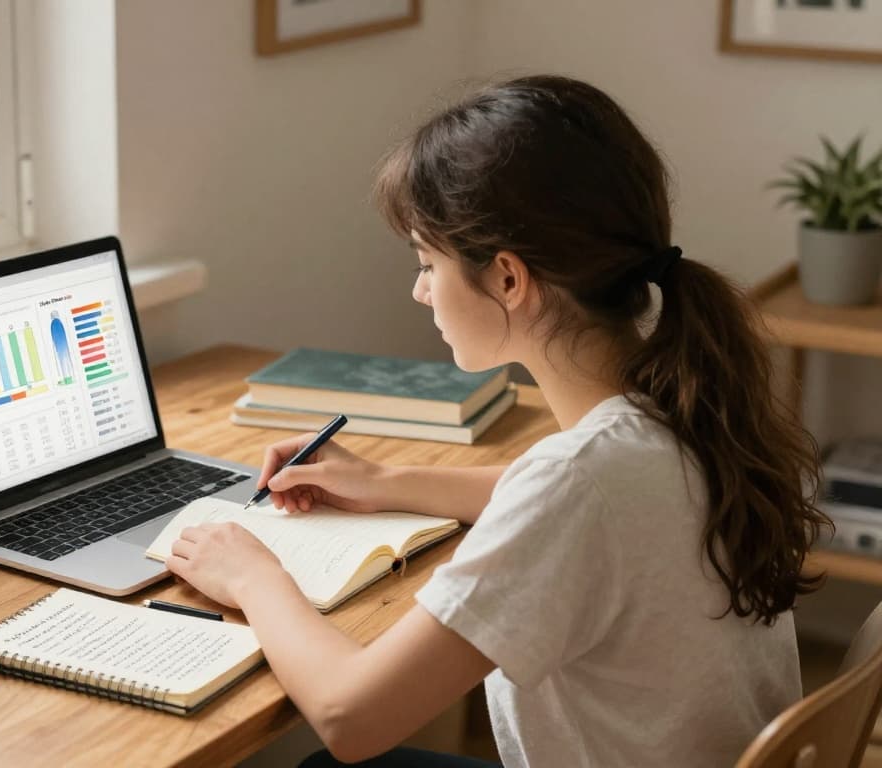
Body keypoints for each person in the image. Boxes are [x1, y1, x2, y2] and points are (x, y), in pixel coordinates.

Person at [164, 75, 828, 767]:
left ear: (509, 279)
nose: (419, 290)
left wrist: (252, 578)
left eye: (428, 263)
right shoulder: (682, 406)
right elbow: (578, 501)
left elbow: (347, 716)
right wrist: (386, 479)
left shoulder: (579, 481)